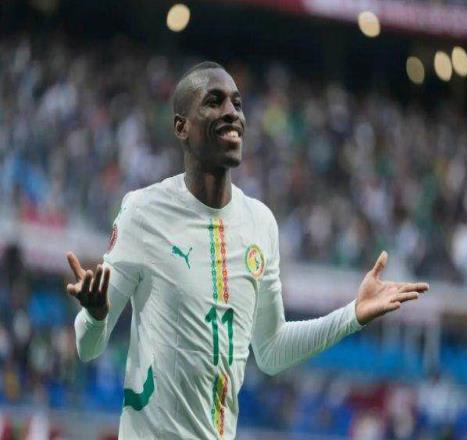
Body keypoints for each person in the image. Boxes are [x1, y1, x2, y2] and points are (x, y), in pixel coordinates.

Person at [66, 61, 429, 439]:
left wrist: (352, 316)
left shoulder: (260, 223)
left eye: (237, 104)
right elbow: (87, 347)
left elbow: (271, 350)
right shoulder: (143, 213)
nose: (231, 113)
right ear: (181, 127)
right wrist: (96, 315)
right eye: (214, 102)